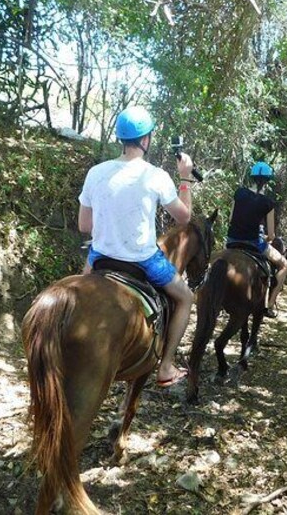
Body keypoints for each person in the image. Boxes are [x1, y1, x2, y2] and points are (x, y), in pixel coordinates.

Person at [77, 105, 194, 388]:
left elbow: (84, 226)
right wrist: (185, 178)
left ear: (121, 138)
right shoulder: (155, 176)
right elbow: (184, 217)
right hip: (143, 259)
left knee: (77, 294)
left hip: (99, 258)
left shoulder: (96, 172)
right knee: (186, 298)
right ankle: (165, 367)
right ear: (145, 140)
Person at [226, 161, 287, 318]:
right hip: (254, 242)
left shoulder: (239, 193)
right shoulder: (268, 202)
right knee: (284, 265)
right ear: (267, 181)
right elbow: (272, 235)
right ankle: (270, 305)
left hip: (232, 241)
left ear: (251, 177)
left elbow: (231, 219)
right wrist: (265, 237)